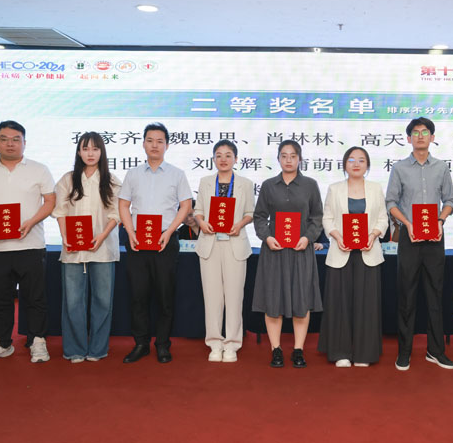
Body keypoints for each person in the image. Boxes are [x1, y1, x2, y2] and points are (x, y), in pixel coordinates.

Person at [0, 120, 55, 364]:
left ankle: (38, 340)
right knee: (0, 299)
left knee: (35, 298)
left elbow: (50, 201)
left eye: (16, 139)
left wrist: (31, 222)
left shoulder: (39, 169)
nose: (10, 144)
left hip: (31, 245)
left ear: (24, 142)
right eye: (4, 139)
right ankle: (2, 342)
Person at [385, 117, 453, 371]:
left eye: (425, 132)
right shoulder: (400, 168)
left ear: (432, 138)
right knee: (407, 295)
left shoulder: (441, 167)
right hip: (410, 236)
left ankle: (435, 351)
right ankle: (404, 351)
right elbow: (391, 202)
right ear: (408, 139)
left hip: (435, 236)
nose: (420, 136)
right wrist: (408, 223)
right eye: (415, 132)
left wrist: (440, 220)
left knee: (435, 294)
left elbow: (450, 200)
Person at [119, 123, 192, 363]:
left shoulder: (177, 174)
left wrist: (170, 231)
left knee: (164, 296)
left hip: (165, 240)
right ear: (143, 144)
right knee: (138, 295)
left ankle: (162, 344)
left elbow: (186, 205)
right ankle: (141, 344)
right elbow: (123, 204)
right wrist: (130, 232)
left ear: (167, 145)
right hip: (138, 240)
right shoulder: (133, 174)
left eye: (160, 141)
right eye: (150, 140)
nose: (154, 145)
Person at [252, 140, 323, 368]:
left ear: (300, 159)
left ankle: (298, 350)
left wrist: (308, 238)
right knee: (273, 299)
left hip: (301, 251)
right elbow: (259, 217)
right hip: (275, 251)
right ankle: (276, 349)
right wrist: (267, 237)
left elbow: (317, 218)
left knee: (302, 301)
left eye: (293, 156)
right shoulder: (268, 185)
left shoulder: (310, 185)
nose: (288, 160)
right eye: (284, 155)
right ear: (278, 159)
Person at [52, 132, 121, 363]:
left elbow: (116, 214)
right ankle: (74, 349)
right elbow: (60, 211)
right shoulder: (68, 179)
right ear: (78, 152)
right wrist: (65, 237)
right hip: (73, 250)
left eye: (95, 149)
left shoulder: (112, 181)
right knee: (73, 302)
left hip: (103, 248)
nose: (90, 153)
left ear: (102, 152)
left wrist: (102, 236)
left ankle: (98, 349)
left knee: (103, 301)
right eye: (85, 148)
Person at [318, 147, 389, 367]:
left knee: (366, 304)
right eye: (351, 160)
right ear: (344, 164)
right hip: (341, 252)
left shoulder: (376, 188)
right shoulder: (335, 188)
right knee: (340, 303)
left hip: (368, 252)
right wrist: (337, 236)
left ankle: (364, 353)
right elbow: (327, 218)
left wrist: (373, 235)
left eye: (361, 160)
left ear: (367, 165)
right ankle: (341, 352)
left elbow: (383, 219)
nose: (356, 164)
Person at [194, 140, 255, 362]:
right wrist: (201, 222)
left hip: (234, 243)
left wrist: (240, 224)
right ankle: (214, 343)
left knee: (234, 296)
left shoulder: (245, 184)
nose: (223, 159)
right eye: (219, 155)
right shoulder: (205, 182)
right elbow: (198, 210)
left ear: (236, 159)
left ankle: (231, 344)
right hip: (209, 243)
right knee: (212, 298)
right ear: (213, 159)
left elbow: (250, 213)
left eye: (228, 155)